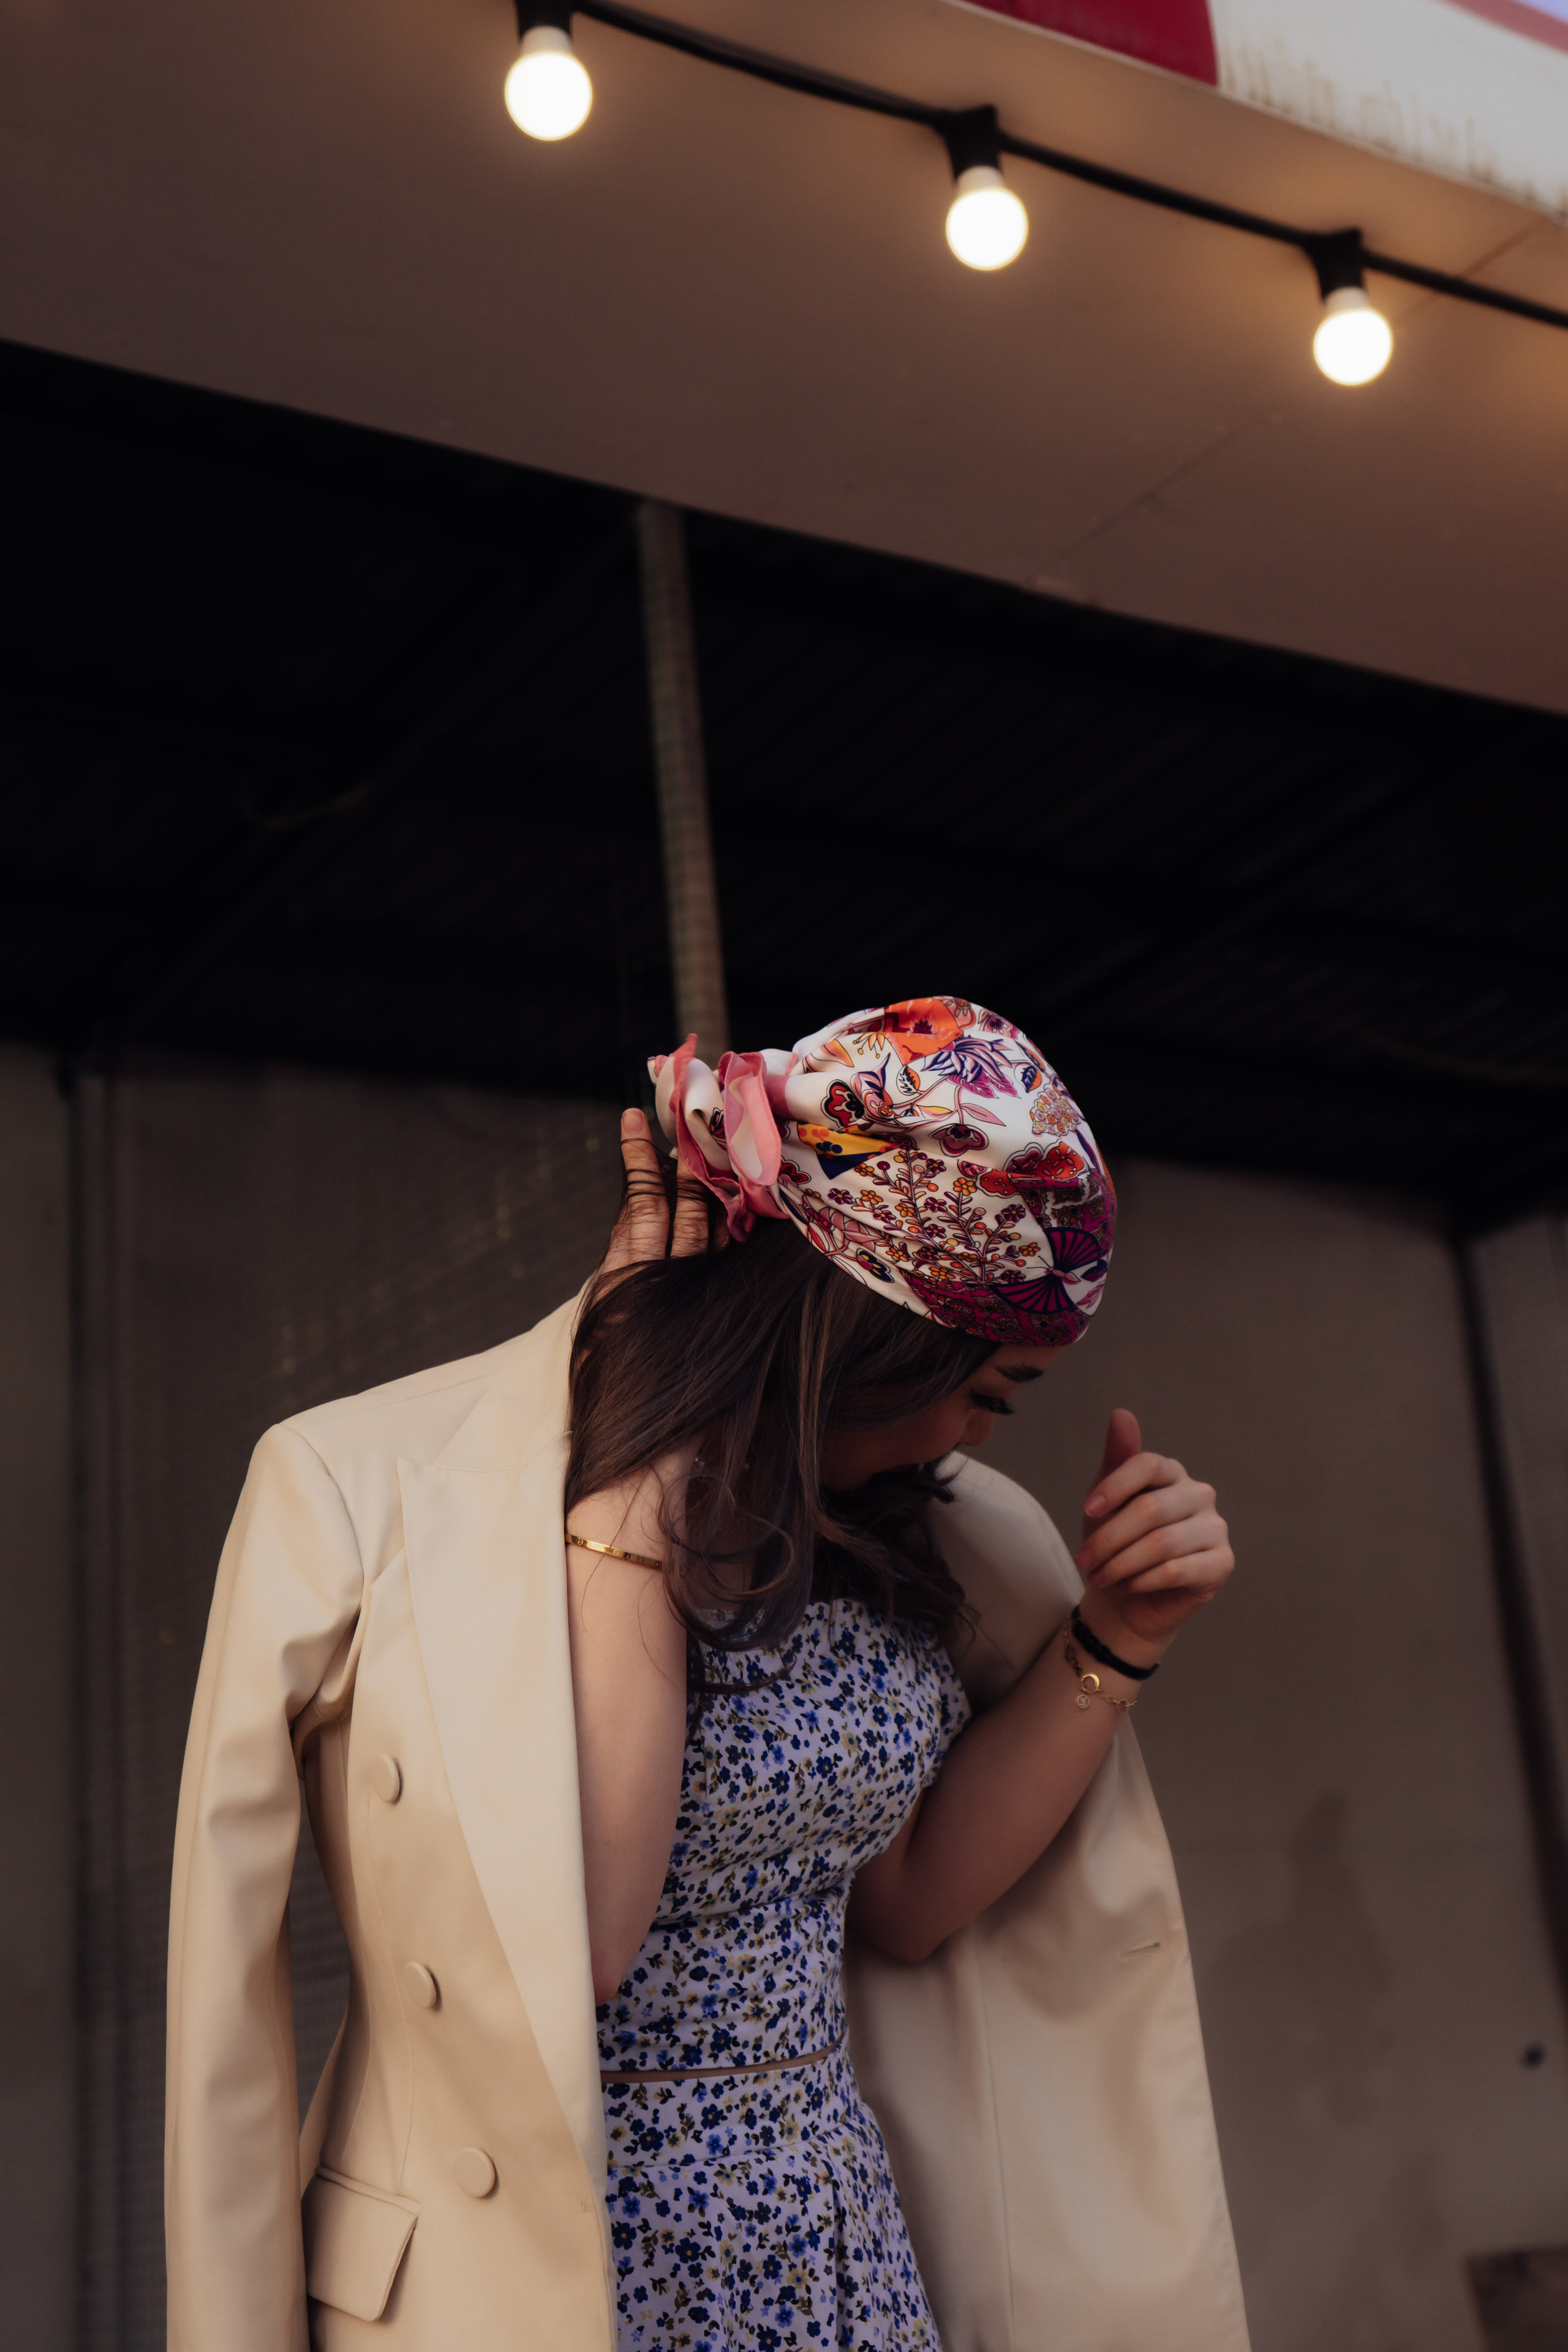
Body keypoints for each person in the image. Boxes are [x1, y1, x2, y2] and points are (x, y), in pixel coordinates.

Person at [165, 997, 1248, 2352]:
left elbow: (905, 1902)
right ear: (869, 1331)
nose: (977, 1438)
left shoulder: (904, 1526)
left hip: (831, 2246)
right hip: (544, 2270)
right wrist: (650, 1443)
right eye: (991, 1391)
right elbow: (580, 1942)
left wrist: (1120, 1634)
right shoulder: (357, 1483)